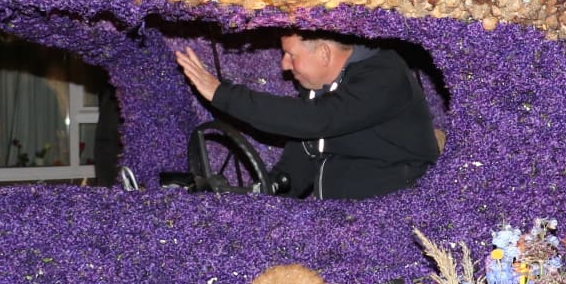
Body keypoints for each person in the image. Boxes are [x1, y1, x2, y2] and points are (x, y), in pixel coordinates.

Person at [174, 33, 439, 200]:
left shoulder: (384, 77)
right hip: (340, 218)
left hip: (396, 213)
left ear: (324, 53)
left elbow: (317, 120)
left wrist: (222, 94)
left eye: (291, 55)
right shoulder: (318, 90)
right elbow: (302, 157)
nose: (284, 65)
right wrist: (262, 198)